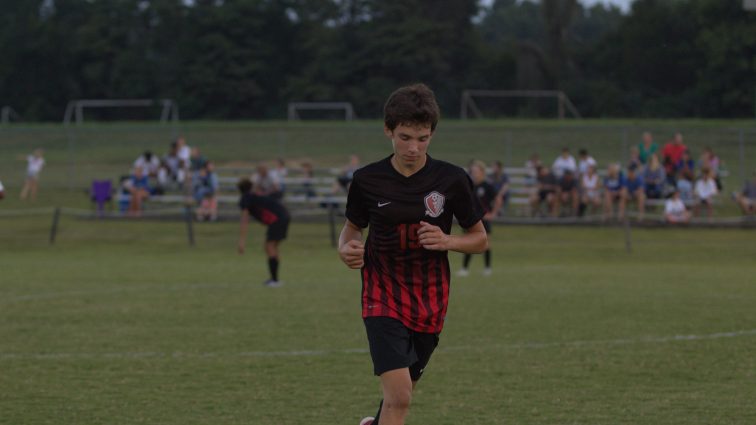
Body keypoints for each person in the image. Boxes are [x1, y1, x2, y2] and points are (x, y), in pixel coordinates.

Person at [337, 84, 487, 425]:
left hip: (430, 298)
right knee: (400, 396)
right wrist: (344, 249)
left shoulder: (451, 179)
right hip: (381, 292)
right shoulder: (367, 180)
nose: (413, 148)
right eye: (405, 137)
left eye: (422, 138)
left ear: (432, 133)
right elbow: (351, 229)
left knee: (399, 396)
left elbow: (480, 239)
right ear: (388, 130)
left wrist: (448, 241)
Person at [237, 177, 290, 287]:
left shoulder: (246, 198)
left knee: (269, 247)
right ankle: (275, 279)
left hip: (278, 219)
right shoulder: (254, 196)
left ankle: (275, 280)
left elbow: (244, 219)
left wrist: (242, 241)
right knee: (272, 247)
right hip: (284, 216)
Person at [458, 160, 500, 277]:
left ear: (482, 172)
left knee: (486, 243)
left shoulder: (487, 186)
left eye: (476, 171)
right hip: (471, 219)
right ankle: (464, 269)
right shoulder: (469, 186)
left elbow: (498, 199)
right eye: (472, 171)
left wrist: (493, 214)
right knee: (468, 243)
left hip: (484, 219)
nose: (474, 173)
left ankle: (487, 268)